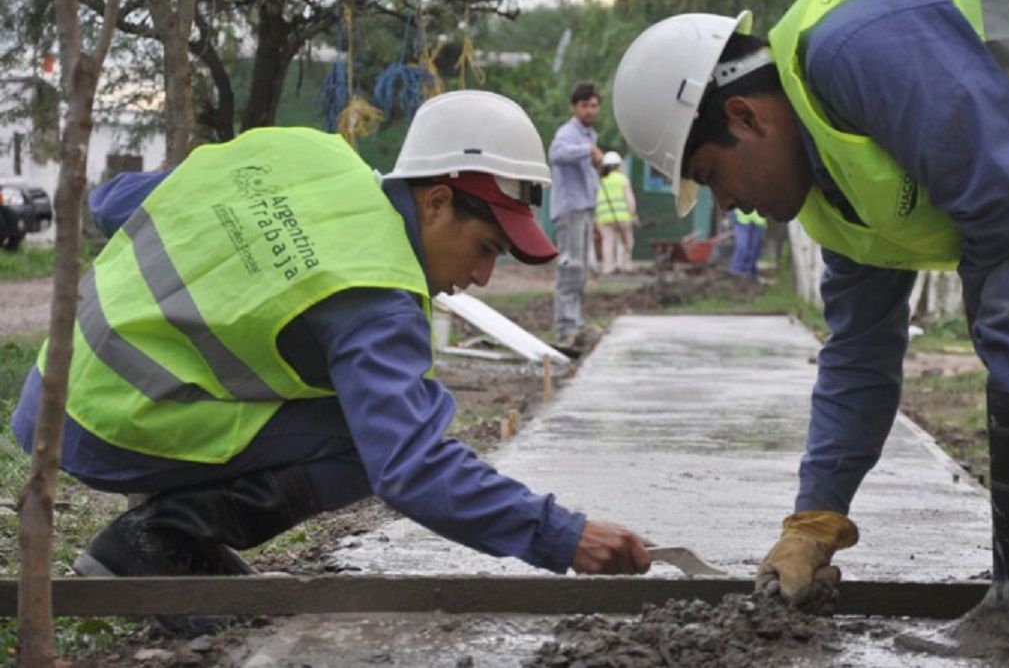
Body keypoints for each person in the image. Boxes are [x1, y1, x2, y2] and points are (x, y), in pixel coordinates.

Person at [612, 0, 1009, 665]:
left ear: (746, 116)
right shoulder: (834, 194)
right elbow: (861, 357)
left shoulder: (849, 47)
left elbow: (1004, 194)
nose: (724, 205)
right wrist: (815, 521)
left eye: (711, 176)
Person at [10, 90, 651, 634]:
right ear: (434, 203)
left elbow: (115, 200)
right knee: (377, 432)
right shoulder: (377, 296)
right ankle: (158, 541)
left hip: (53, 389)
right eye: (484, 247)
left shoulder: (304, 154)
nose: (482, 276)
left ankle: (169, 529)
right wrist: (565, 535)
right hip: (111, 429)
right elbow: (412, 469)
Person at [548, 81, 603, 345]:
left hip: (585, 208)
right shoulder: (568, 133)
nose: (590, 111)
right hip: (570, 209)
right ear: (574, 107)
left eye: (593, 106)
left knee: (581, 272)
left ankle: (575, 323)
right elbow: (556, 154)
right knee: (570, 268)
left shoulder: (589, 135)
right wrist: (587, 151)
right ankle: (565, 329)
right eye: (585, 106)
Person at [594, 151, 638, 275]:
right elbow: (629, 199)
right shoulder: (622, 179)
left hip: (603, 217)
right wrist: (633, 213)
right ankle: (626, 265)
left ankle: (608, 267)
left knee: (608, 241)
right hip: (622, 217)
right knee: (626, 241)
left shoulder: (600, 180)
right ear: (618, 165)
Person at [728, 208, 765, 279]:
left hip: (759, 219)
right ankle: (736, 271)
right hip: (741, 219)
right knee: (742, 246)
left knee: (754, 249)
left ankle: (750, 273)